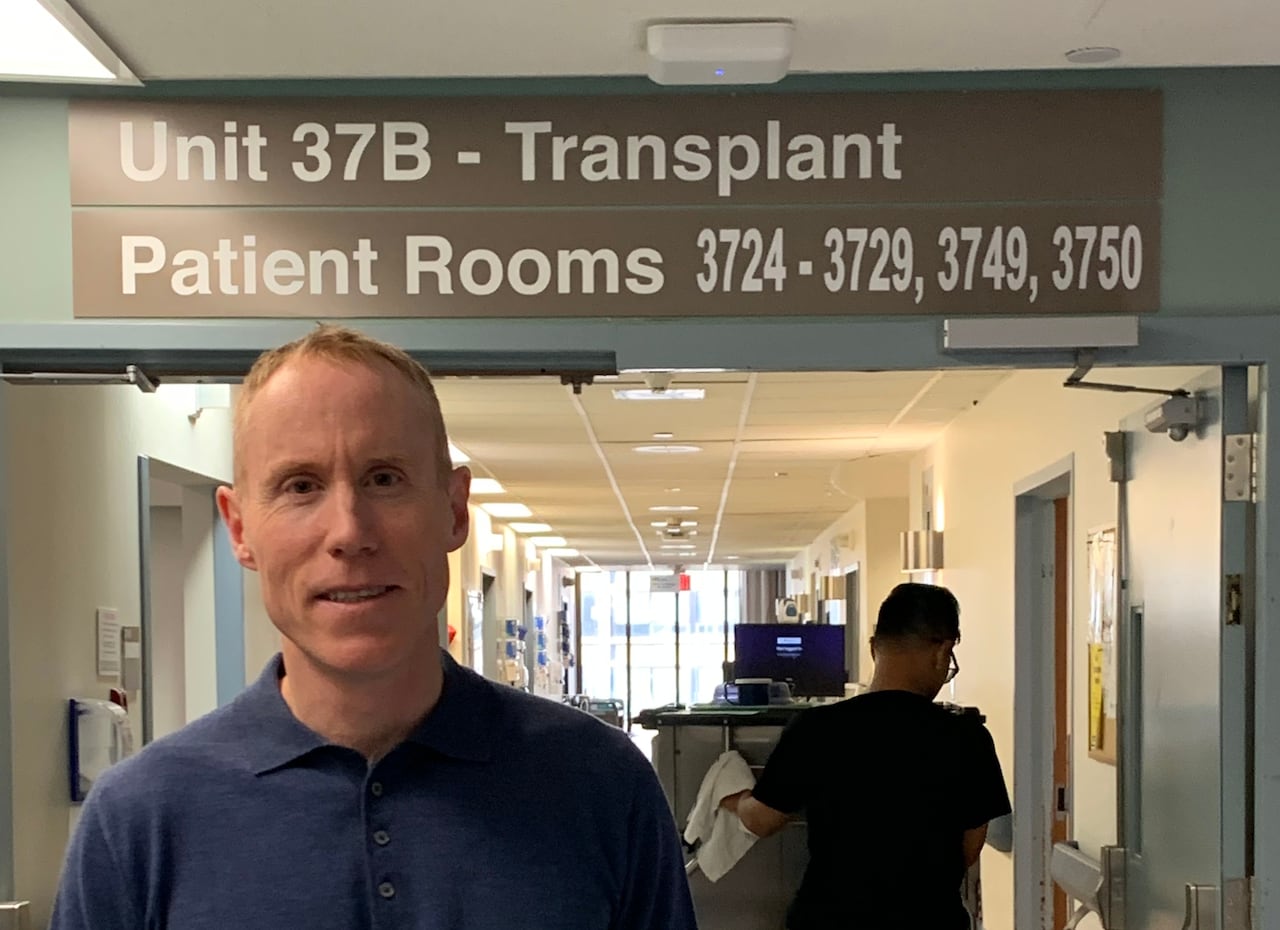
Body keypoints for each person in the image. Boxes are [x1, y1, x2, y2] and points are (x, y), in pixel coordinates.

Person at [50, 324, 697, 930]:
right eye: (300, 486)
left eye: (384, 479)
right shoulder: (139, 820)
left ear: (453, 510)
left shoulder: (600, 786)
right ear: (240, 528)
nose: (349, 532)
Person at [721, 582, 1011, 930]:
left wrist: (735, 798)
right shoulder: (967, 737)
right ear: (943, 652)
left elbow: (762, 820)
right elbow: (968, 850)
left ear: (874, 648)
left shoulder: (817, 728)